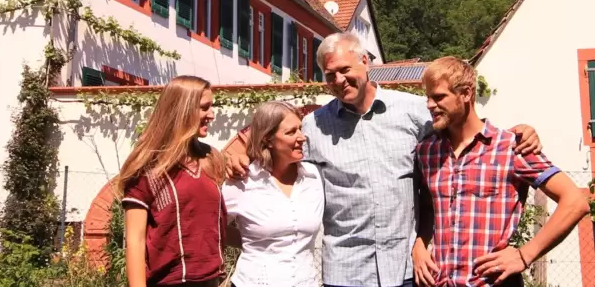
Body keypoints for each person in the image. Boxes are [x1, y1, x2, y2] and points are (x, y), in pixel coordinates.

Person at [224, 32, 542, 287]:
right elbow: (274, 137)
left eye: (345, 70)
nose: (338, 80)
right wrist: (237, 150)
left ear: (365, 62)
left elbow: (466, 129)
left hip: (405, 268)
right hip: (345, 273)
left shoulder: (413, 111)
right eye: (329, 74)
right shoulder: (314, 125)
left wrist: (519, 131)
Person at [412, 57, 589, 287]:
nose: (430, 105)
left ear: (466, 94)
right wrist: (420, 243)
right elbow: (428, 207)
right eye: (428, 98)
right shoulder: (428, 152)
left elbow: (575, 201)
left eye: (438, 97)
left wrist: (525, 254)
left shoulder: (511, 147)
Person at [117, 76, 226, 287]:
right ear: (182, 110)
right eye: (205, 108)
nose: (211, 115)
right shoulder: (147, 168)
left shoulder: (211, 159)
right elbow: (135, 242)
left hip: (210, 281)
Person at [222, 101, 324, 287]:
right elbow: (212, 228)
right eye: (291, 132)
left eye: (300, 129)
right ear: (268, 139)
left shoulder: (313, 177)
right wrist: (248, 240)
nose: (302, 137)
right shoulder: (243, 181)